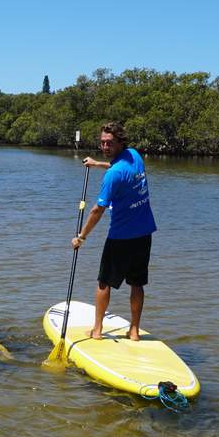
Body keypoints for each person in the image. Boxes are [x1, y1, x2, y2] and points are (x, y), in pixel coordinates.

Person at [70, 122, 156, 340]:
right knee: (136, 283)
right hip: (145, 232)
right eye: (102, 142)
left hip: (121, 237)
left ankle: (97, 330)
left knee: (104, 282)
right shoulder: (134, 156)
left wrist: (81, 237)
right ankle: (134, 331)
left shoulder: (113, 176)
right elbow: (120, 169)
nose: (105, 146)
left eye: (109, 143)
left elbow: (97, 210)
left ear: (120, 141)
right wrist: (97, 163)